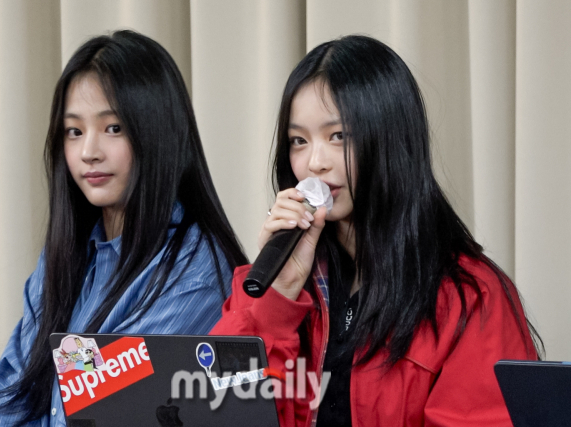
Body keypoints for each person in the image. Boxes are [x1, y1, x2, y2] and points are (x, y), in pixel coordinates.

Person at [211, 35, 540, 426]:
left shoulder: (470, 296)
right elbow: (217, 409)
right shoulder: (287, 281)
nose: (314, 162)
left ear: (389, 139)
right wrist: (277, 298)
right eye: (298, 141)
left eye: (338, 136)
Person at [0, 30, 247, 426]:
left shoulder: (195, 270)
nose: (89, 152)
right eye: (74, 131)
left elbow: (104, 407)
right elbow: (13, 396)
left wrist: (62, 370)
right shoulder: (64, 256)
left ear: (157, 133)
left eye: (113, 128)